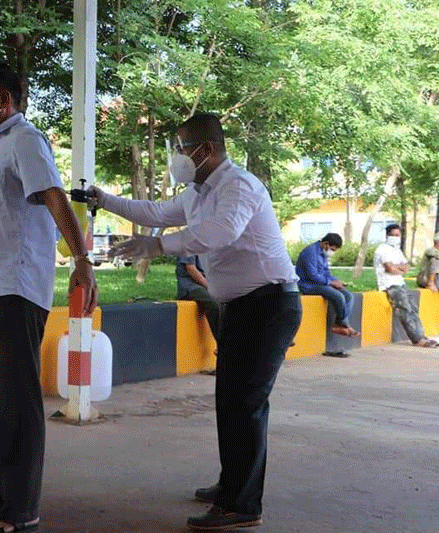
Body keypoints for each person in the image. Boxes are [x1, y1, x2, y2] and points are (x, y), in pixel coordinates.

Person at [89, 113, 302, 531]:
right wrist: (104, 198)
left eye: (180, 147)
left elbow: (222, 232)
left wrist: (158, 246)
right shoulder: (197, 193)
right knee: (231, 401)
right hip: (241, 306)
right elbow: (155, 211)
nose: (176, 156)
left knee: (245, 403)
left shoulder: (238, 185)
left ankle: (242, 505)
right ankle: (232, 485)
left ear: (205, 149)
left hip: (269, 304)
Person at [0, 62, 98, 533]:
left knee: (16, 401)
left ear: (3, 101)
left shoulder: (25, 140)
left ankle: (21, 510)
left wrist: (81, 259)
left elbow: (55, 197)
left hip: (16, 288)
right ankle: (2, 492)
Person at [374, 224, 437, 347]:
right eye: (393, 235)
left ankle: (421, 336)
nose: (395, 237)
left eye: (397, 235)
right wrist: (398, 267)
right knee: (405, 310)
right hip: (390, 284)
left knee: (413, 309)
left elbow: (406, 266)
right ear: (387, 235)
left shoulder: (396, 250)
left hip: (400, 283)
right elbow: (390, 269)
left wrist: (397, 267)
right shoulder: (382, 249)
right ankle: (417, 339)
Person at [296, 233, 359, 338]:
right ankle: (346, 325)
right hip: (308, 285)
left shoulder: (322, 253)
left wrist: (335, 281)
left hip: (321, 283)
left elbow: (326, 272)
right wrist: (330, 283)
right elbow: (312, 275)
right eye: (332, 249)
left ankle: (339, 324)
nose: (332, 252)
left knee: (349, 296)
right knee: (338, 296)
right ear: (326, 244)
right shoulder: (310, 252)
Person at [176, 254, 221, 342]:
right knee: (214, 303)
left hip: (202, 285)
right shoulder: (189, 246)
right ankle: (222, 343)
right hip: (190, 287)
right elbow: (191, 269)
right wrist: (210, 286)